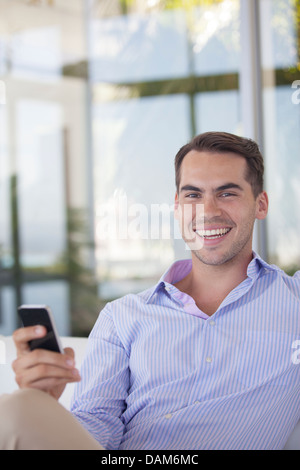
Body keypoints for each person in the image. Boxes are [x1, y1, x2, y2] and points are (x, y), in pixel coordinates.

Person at [0, 131, 299, 450]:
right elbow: (97, 425)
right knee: (16, 410)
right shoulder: (122, 317)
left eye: (227, 193)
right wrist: (45, 409)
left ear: (261, 204)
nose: (208, 211)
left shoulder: (293, 301)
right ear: (177, 206)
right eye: (193, 195)